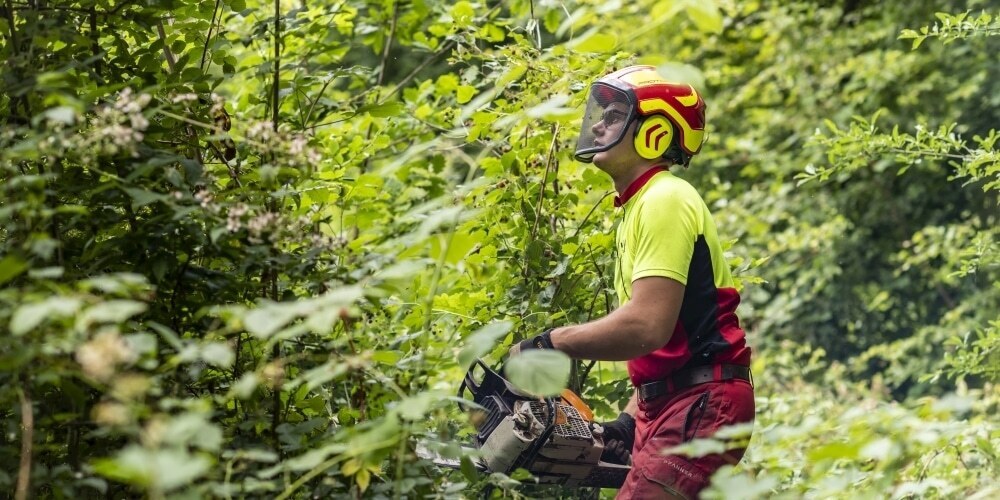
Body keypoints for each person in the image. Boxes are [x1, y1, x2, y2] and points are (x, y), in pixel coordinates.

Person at [508, 65, 754, 499]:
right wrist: (629, 419)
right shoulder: (641, 205)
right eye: (601, 114)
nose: (599, 124)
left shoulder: (665, 198)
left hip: (700, 405)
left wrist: (552, 342)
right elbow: (670, 341)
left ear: (655, 134)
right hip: (677, 402)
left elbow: (645, 327)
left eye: (616, 115)